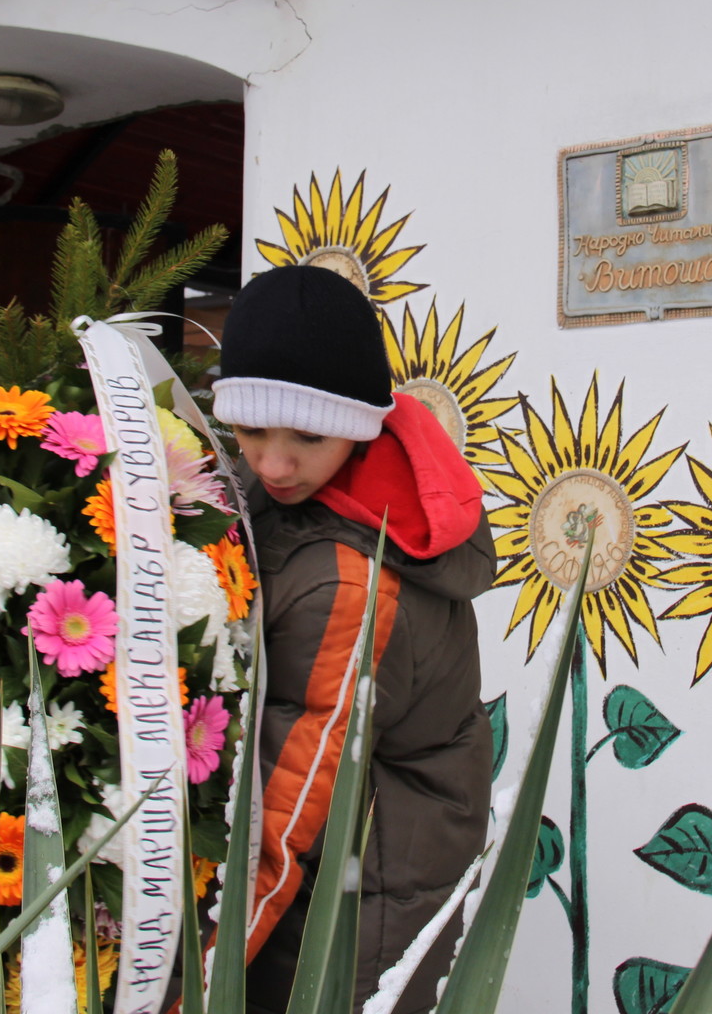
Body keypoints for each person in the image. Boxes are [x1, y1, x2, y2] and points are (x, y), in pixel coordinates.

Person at [213, 266, 494, 1014]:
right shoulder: (336, 487)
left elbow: (278, 822)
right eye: (249, 430)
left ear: (361, 425)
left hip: (352, 909)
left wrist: (190, 981)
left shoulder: (346, 585)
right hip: (354, 869)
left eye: (307, 434)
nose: (272, 463)